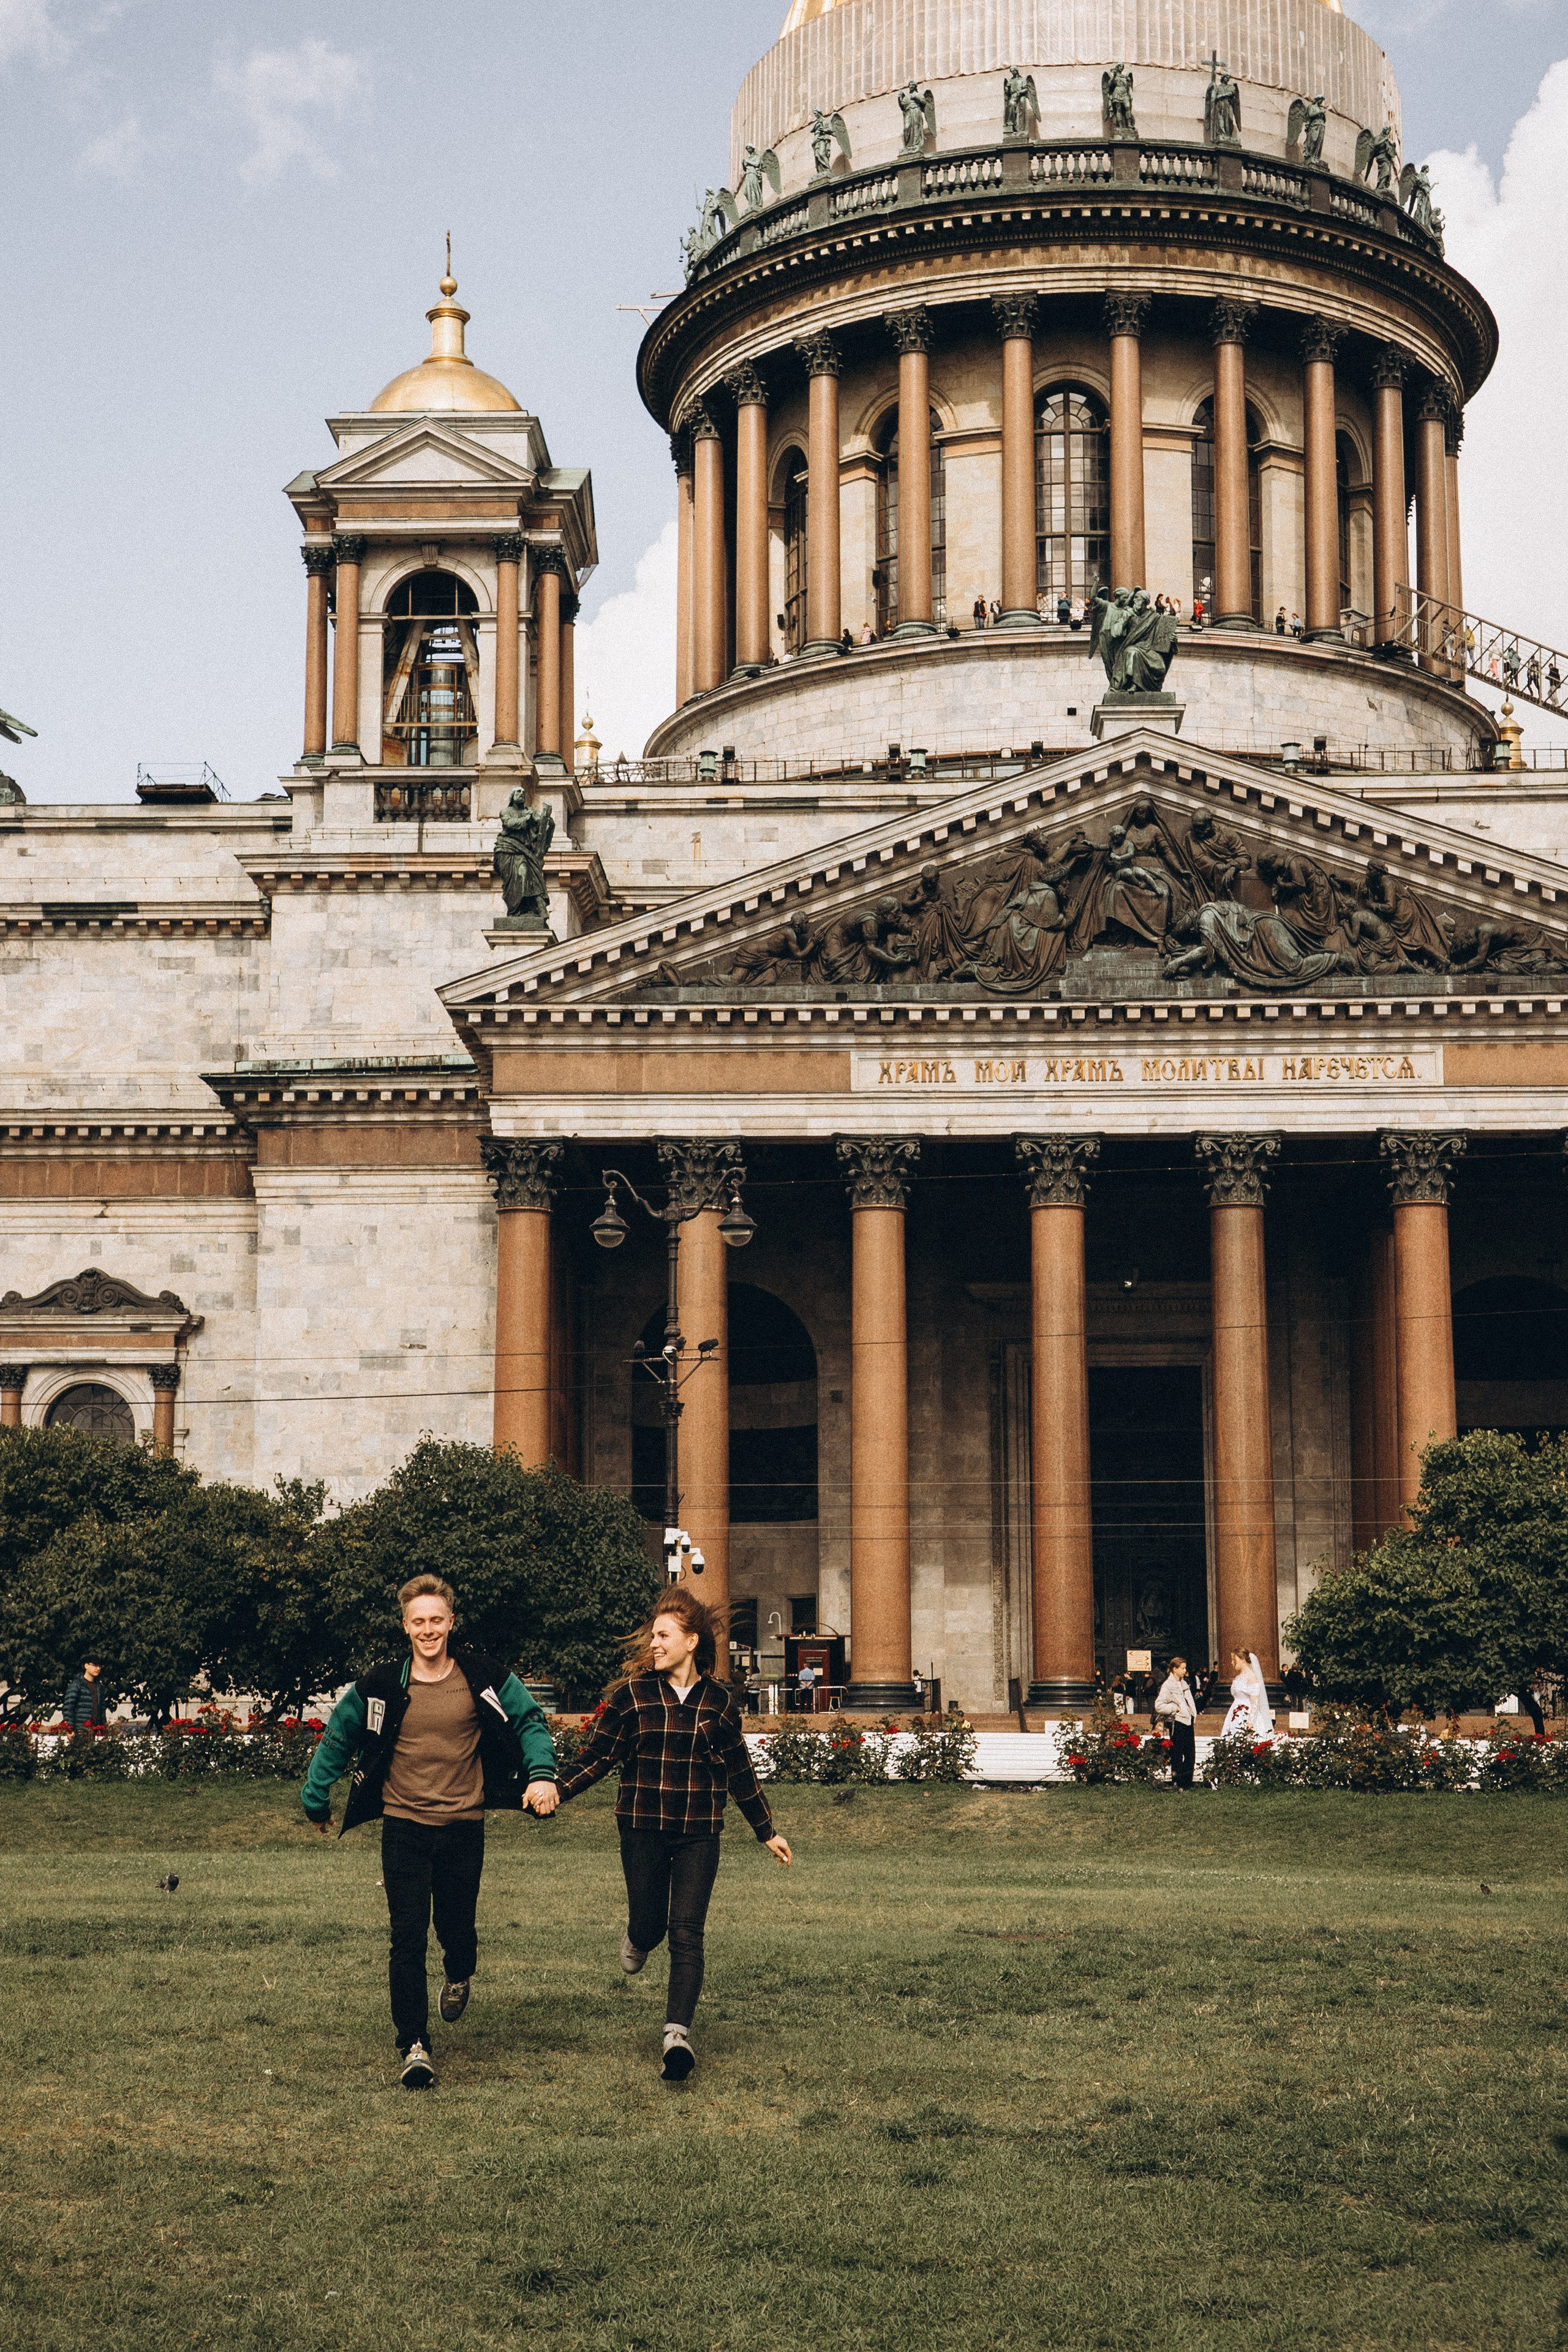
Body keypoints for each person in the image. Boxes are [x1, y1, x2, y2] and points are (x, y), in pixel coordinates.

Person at [301, 1573, 559, 2091]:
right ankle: (414, 2044)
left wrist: (542, 1774)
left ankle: (460, 1972)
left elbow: (530, 1721)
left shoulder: (483, 1676)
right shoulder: (381, 1685)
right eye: (418, 1621)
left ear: (451, 1623)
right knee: (407, 1935)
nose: (428, 1629)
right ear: (405, 1626)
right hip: (404, 1827)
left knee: (456, 1931)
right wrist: (316, 1796)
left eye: (436, 1620)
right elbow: (338, 1736)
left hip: (464, 1827)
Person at [556, 1586, 792, 2082]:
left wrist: (766, 1831)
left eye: (663, 1636)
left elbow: (740, 1772)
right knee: (651, 1924)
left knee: (687, 1932)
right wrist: (556, 1792)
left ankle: (676, 2037)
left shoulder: (721, 1703)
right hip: (641, 1828)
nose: (654, 1644)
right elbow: (598, 1758)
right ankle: (640, 1935)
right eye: (653, 1636)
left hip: (699, 1834)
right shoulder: (633, 1696)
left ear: (691, 1641)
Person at [1154, 1656, 1198, 1789]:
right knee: (1177, 1754)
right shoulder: (1168, 1685)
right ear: (1175, 1669)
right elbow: (1159, 1705)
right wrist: (1175, 1709)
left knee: (1190, 1754)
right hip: (1177, 1723)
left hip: (1188, 1722)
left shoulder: (1184, 1683)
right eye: (1182, 1668)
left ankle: (1186, 1783)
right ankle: (1178, 1783)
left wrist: (1192, 1714)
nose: (1185, 1671)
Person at [1219, 1649, 1274, 1743]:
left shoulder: (1252, 1677)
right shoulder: (1238, 1677)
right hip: (1235, 1713)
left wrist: (1250, 1722)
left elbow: (1255, 1702)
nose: (1232, 1663)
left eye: (1234, 1660)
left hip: (1247, 1714)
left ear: (1243, 1659)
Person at [62, 1659, 105, 1735]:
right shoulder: (77, 1685)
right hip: (80, 1731)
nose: (98, 1669)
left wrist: (103, 1728)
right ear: (86, 1666)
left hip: (95, 1732)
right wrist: (70, 1729)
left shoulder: (99, 1687)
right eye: (95, 1665)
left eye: (100, 1666)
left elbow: (102, 1710)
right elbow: (68, 1707)